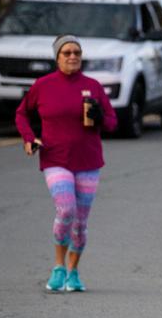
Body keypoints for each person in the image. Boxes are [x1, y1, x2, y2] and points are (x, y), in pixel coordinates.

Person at [15, 34, 117, 292]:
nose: (73, 56)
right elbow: (21, 113)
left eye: (77, 52)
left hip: (88, 160)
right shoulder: (43, 85)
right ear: (57, 57)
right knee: (66, 210)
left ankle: (74, 272)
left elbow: (113, 122)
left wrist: (100, 117)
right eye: (67, 52)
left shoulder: (93, 86)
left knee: (81, 222)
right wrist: (29, 138)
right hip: (55, 158)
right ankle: (58, 266)